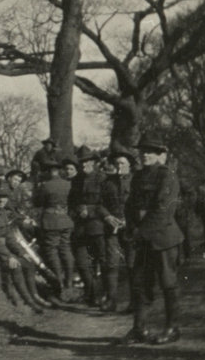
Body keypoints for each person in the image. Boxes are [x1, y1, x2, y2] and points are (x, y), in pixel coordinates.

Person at [119, 133, 185, 345]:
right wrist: (130, 228)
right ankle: (139, 329)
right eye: (142, 151)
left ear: (160, 155)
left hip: (163, 238)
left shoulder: (168, 176)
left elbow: (163, 211)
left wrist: (139, 233)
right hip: (142, 238)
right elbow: (130, 205)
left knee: (168, 283)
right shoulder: (138, 176)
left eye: (149, 151)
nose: (144, 154)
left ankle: (172, 328)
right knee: (139, 284)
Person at [0, 182, 47, 315]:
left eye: (4, 197)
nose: (1, 200)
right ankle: (27, 302)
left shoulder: (3, 213)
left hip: (3, 248)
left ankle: (34, 296)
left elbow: (9, 237)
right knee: (15, 265)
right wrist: (8, 256)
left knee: (28, 262)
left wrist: (21, 252)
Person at [70, 145, 107, 307]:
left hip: (98, 226)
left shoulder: (102, 179)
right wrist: (77, 210)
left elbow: (106, 204)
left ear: (94, 162)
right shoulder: (76, 180)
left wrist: (90, 211)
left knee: (101, 261)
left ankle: (102, 294)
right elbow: (71, 203)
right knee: (82, 262)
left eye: (87, 162)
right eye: (81, 163)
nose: (84, 166)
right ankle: (92, 293)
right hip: (80, 228)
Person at [99, 147, 135, 313]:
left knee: (132, 264)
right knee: (111, 264)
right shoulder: (107, 182)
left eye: (122, 163)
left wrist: (130, 219)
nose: (119, 166)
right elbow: (99, 204)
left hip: (131, 229)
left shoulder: (136, 181)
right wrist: (107, 217)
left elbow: (143, 205)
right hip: (111, 229)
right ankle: (111, 300)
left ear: (129, 165)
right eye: (117, 163)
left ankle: (134, 302)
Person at [32, 156, 73, 301]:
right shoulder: (68, 184)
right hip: (66, 220)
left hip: (51, 221)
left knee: (52, 251)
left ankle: (59, 283)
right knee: (65, 249)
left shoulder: (45, 186)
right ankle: (69, 282)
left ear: (49, 172)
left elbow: (37, 202)